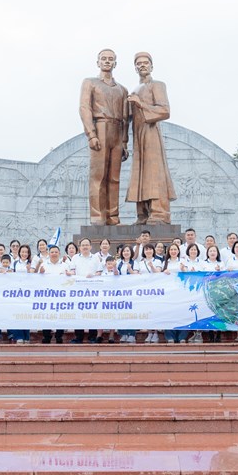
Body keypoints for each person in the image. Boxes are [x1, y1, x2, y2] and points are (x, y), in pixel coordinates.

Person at [126, 51, 176, 224]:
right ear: (135, 68)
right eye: (138, 63)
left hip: (151, 132)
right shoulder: (134, 90)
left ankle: (159, 212)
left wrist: (141, 104)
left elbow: (165, 111)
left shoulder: (158, 85)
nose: (142, 65)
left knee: (154, 172)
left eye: (145, 62)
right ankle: (143, 213)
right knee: (140, 173)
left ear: (151, 66)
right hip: (138, 135)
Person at [80, 48, 129, 226]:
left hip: (117, 130)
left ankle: (113, 217)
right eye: (104, 58)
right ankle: (97, 216)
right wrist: (91, 134)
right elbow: (84, 108)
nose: (107, 61)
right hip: (100, 127)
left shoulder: (122, 89)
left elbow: (126, 118)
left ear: (115, 63)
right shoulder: (90, 83)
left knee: (114, 178)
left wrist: (124, 142)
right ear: (98, 62)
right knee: (98, 175)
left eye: (110, 59)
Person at [69, 238, 103, 343]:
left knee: (92, 312)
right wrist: (69, 274)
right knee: (78, 312)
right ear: (79, 247)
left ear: (90, 247)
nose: (85, 247)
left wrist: (93, 275)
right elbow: (72, 271)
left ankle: (92, 336)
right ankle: (78, 337)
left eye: (87, 245)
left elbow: (99, 272)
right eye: (83, 245)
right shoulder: (75, 258)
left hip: (92, 289)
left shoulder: (96, 258)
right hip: (79, 289)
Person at [38, 244, 70, 344]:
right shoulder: (44, 265)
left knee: (61, 316)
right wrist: (40, 273)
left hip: (61, 295)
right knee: (46, 315)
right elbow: (37, 280)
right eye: (52, 252)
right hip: (47, 295)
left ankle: (59, 336)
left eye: (56, 252)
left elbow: (70, 279)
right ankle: (46, 336)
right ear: (49, 253)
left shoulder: (65, 265)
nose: (54, 254)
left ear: (59, 253)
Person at [160, 243, 188, 343]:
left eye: (175, 249)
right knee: (169, 313)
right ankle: (170, 336)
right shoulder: (165, 262)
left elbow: (188, 273)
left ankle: (182, 337)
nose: (173, 251)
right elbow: (160, 276)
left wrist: (183, 269)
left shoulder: (182, 261)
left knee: (182, 313)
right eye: (171, 249)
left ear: (178, 251)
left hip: (181, 292)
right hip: (169, 293)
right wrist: (164, 272)